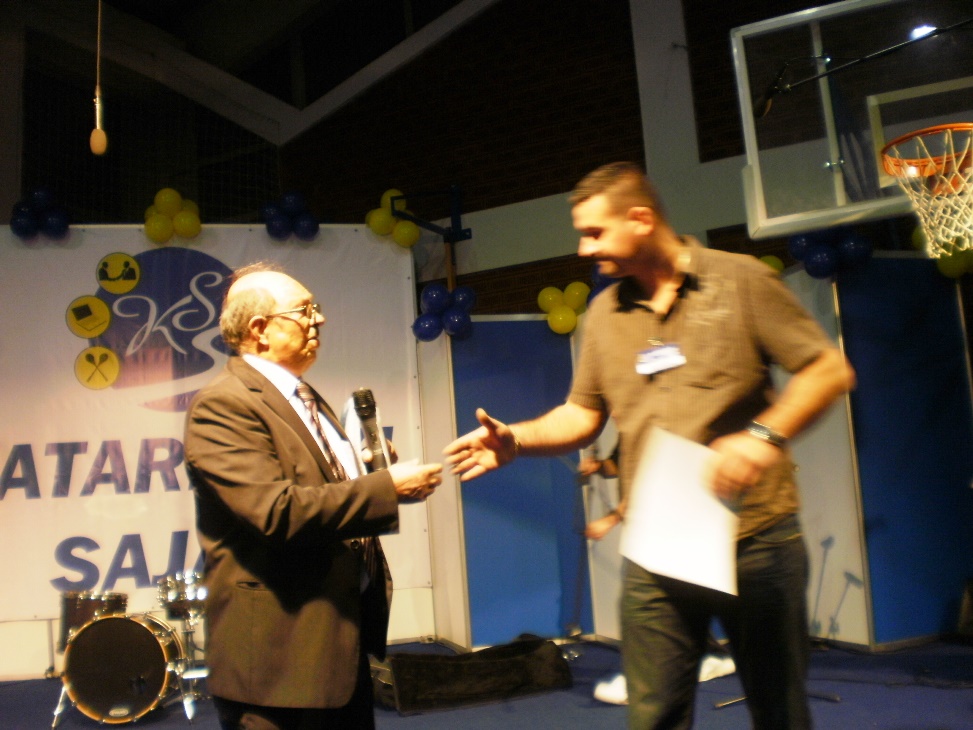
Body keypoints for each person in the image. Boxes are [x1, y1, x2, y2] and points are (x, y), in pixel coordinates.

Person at [444, 162, 855, 729]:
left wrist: (761, 437)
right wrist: (517, 439)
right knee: (653, 715)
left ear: (640, 219)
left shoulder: (740, 280)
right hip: (659, 550)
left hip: (756, 538)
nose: (584, 248)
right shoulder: (604, 314)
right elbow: (581, 415)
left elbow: (827, 370)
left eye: (595, 232)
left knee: (779, 710)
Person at [185, 263, 443, 730]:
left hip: (335, 640)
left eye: (315, 308)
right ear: (260, 330)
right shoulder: (224, 403)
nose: (319, 319)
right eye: (304, 311)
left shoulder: (300, 394)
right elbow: (277, 512)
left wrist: (364, 468)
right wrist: (387, 488)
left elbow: (319, 485)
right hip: (279, 659)